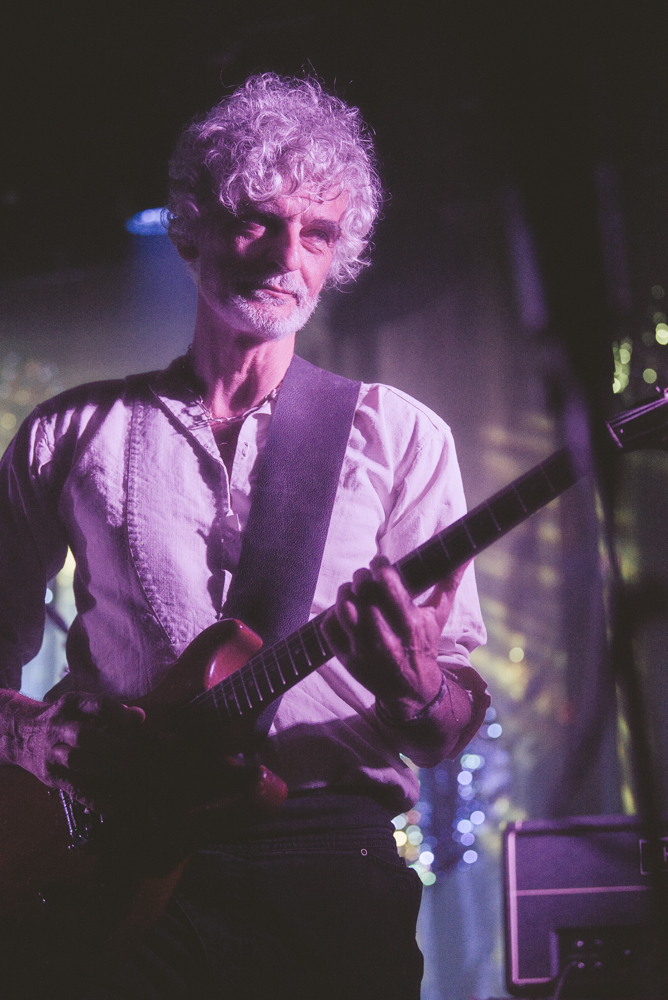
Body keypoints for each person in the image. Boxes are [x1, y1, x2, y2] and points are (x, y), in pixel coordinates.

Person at [0, 74, 488, 999]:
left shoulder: (402, 434)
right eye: (257, 221)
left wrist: (420, 691)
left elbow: (448, 727)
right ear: (188, 229)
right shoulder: (69, 434)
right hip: (116, 866)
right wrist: (30, 742)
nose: (285, 257)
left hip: (327, 866)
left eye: (319, 233)